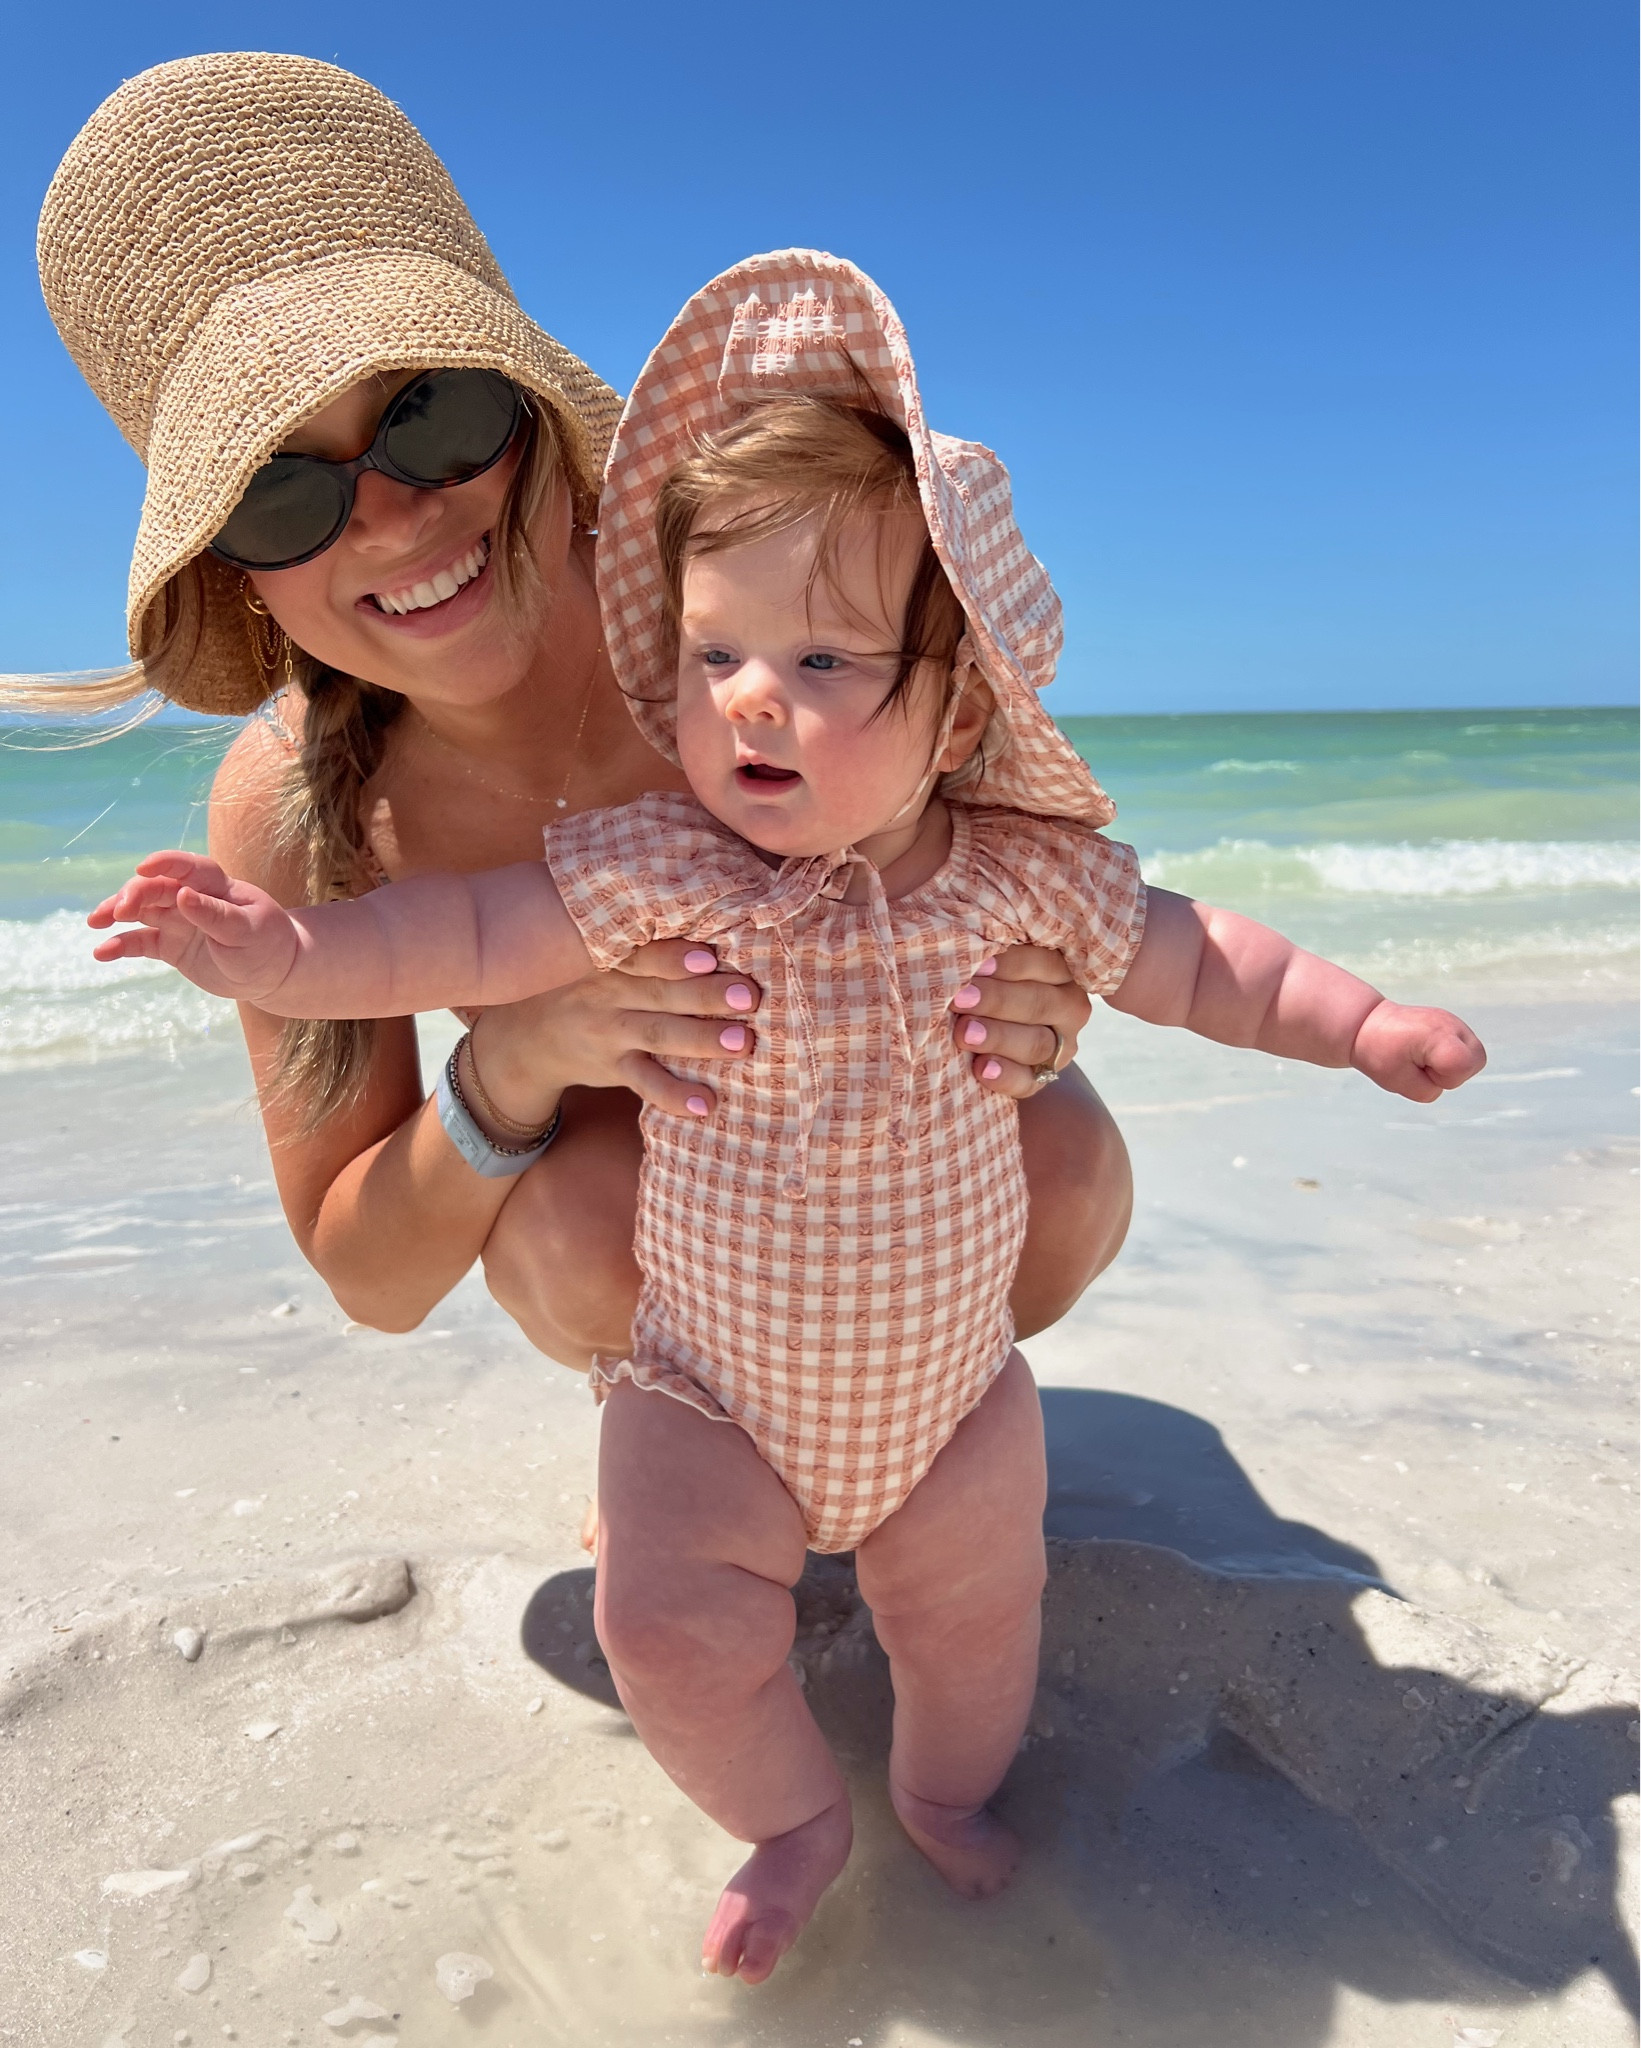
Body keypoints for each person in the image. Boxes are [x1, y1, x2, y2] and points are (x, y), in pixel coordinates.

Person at [92, 251, 1488, 1987]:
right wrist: (288, 958)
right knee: (665, 1623)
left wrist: (1362, 1028)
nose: (753, 696)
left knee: (977, 1625)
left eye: (431, 417)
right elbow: (435, 941)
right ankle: (789, 1819)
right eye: (288, 486)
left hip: (944, 1379)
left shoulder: (1003, 854)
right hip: (695, 1367)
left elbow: (1207, 957)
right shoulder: (653, 854)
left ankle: (945, 1796)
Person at [23, 53, 1129, 1377]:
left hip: (875, 1128)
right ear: (233, 570)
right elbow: (370, 1274)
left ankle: (890, 1445)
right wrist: (519, 1063)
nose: (389, 517)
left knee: (1062, 1173)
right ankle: (691, 1445)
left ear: (527, 406)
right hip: (622, 1206)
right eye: (281, 491)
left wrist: (1035, 999)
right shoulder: (293, 803)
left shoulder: (743, 590)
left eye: (429, 415)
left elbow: (1006, 847)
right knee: (571, 1238)